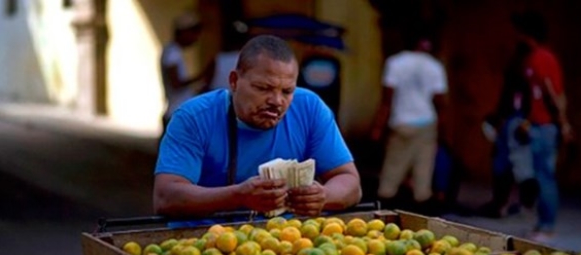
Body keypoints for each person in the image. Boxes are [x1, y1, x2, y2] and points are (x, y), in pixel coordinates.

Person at [154, 35, 362, 228]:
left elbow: (350, 183)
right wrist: (238, 196)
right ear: (234, 81)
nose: (276, 101)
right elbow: (166, 196)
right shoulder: (194, 118)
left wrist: (324, 195)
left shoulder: (309, 108)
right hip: (206, 244)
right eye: (263, 88)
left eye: (287, 91)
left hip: (287, 241)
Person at [509, 10, 575, 241]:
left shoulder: (540, 58)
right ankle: (541, 223)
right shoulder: (536, 57)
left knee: (545, 176)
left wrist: (563, 123)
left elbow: (551, 91)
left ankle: (547, 226)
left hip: (544, 128)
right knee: (539, 175)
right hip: (537, 126)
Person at [371, 35, 448, 214]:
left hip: (402, 123)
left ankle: (385, 205)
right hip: (426, 122)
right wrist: (444, 131)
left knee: (392, 169)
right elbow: (440, 101)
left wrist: (377, 128)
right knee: (423, 169)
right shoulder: (435, 66)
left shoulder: (395, 63)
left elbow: (387, 100)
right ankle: (422, 207)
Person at [478, 38, 536, 218]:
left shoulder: (523, 74)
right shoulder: (520, 73)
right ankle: (506, 203)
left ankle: (511, 204)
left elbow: (515, 103)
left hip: (514, 123)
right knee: (510, 166)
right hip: (513, 122)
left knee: (514, 167)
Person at [160, 12, 214, 136]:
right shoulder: (172, 53)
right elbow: (176, 83)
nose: (196, 38)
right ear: (184, 32)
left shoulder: (174, 52)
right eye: (194, 33)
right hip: (176, 114)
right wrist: (201, 76)